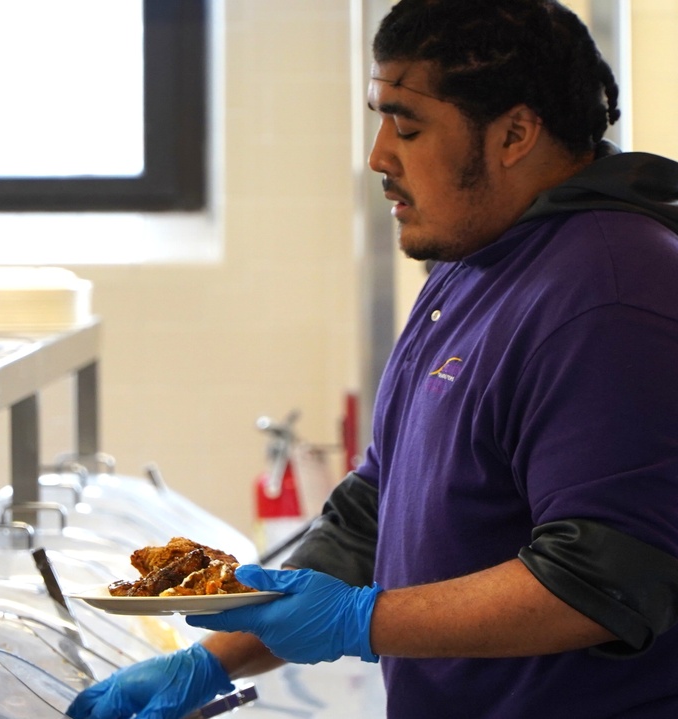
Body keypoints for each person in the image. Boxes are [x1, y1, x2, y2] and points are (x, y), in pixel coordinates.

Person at [66, 1, 678, 716]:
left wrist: (362, 621)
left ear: (515, 132)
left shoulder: (611, 297)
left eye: (408, 125)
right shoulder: (474, 265)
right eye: (380, 119)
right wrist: (206, 662)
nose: (379, 154)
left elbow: (603, 583)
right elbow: (374, 512)